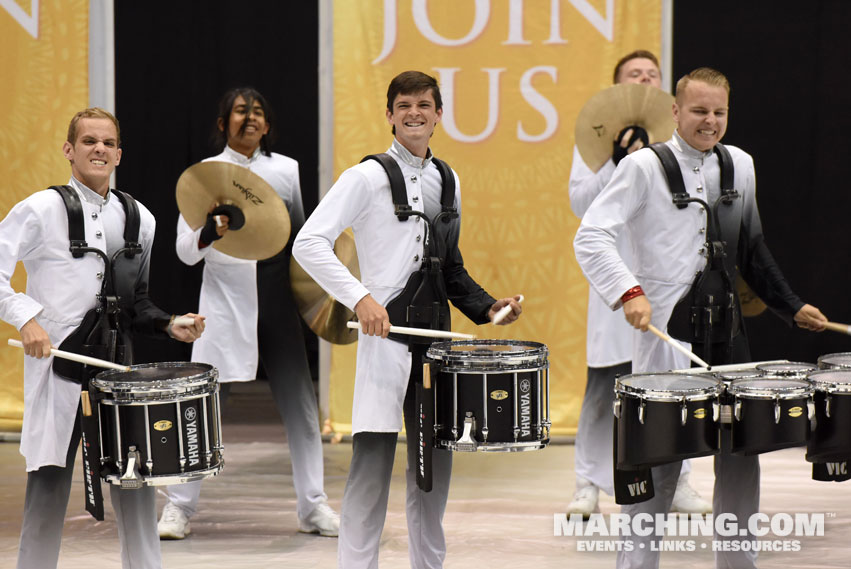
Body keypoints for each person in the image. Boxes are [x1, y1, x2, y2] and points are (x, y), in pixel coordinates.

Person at [574, 67, 827, 569]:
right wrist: (630, 291)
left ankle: (738, 563)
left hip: (728, 335)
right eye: (699, 111)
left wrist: (791, 305)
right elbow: (591, 234)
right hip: (667, 337)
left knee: (740, 457)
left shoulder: (741, 165)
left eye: (719, 112)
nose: (709, 122)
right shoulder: (644, 166)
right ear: (674, 111)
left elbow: (751, 249)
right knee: (660, 461)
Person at [292, 70, 522, 569]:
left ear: (439, 113)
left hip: (436, 345)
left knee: (433, 470)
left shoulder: (449, 179)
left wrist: (489, 308)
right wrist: (359, 298)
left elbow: (451, 267)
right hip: (387, 340)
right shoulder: (366, 176)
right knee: (371, 468)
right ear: (390, 115)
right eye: (404, 105)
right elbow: (308, 242)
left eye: (424, 104)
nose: (414, 113)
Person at [0, 107, 205, 569]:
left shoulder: (141, 219)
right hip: (59, 368)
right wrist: (26, 318)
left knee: (135, 483)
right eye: (89, 141)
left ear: (119, 153)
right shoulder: (39, 209)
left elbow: (138, 302)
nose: (99, 149)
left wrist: (168, 323)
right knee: (48, 486)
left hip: (118, 371)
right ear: (69, 150)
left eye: (108, 143)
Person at [158, 87, 339, 540]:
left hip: (277, 300)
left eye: (258, 112)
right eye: (241, 112)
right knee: (202, 404)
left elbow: (302, 235)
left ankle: (313, 507)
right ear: (223, 123)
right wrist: (209, 232)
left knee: (300, 405)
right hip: (223, 302)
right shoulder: (202, 177)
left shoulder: (286, 170)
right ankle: (179, 506)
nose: (251, 118)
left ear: (268, 124)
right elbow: (184, 252)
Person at [567, 50, 710, 517]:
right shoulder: (594, 137)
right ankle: (588, 481)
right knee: (604, 382)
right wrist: (616, 159)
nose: (645, 79)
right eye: (635, 75)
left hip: (669, 281)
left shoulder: (679, 138)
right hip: (616, 278)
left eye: (652, 75)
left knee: (676, 381)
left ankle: (680, 479)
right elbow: (580, 205)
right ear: (618, 86)